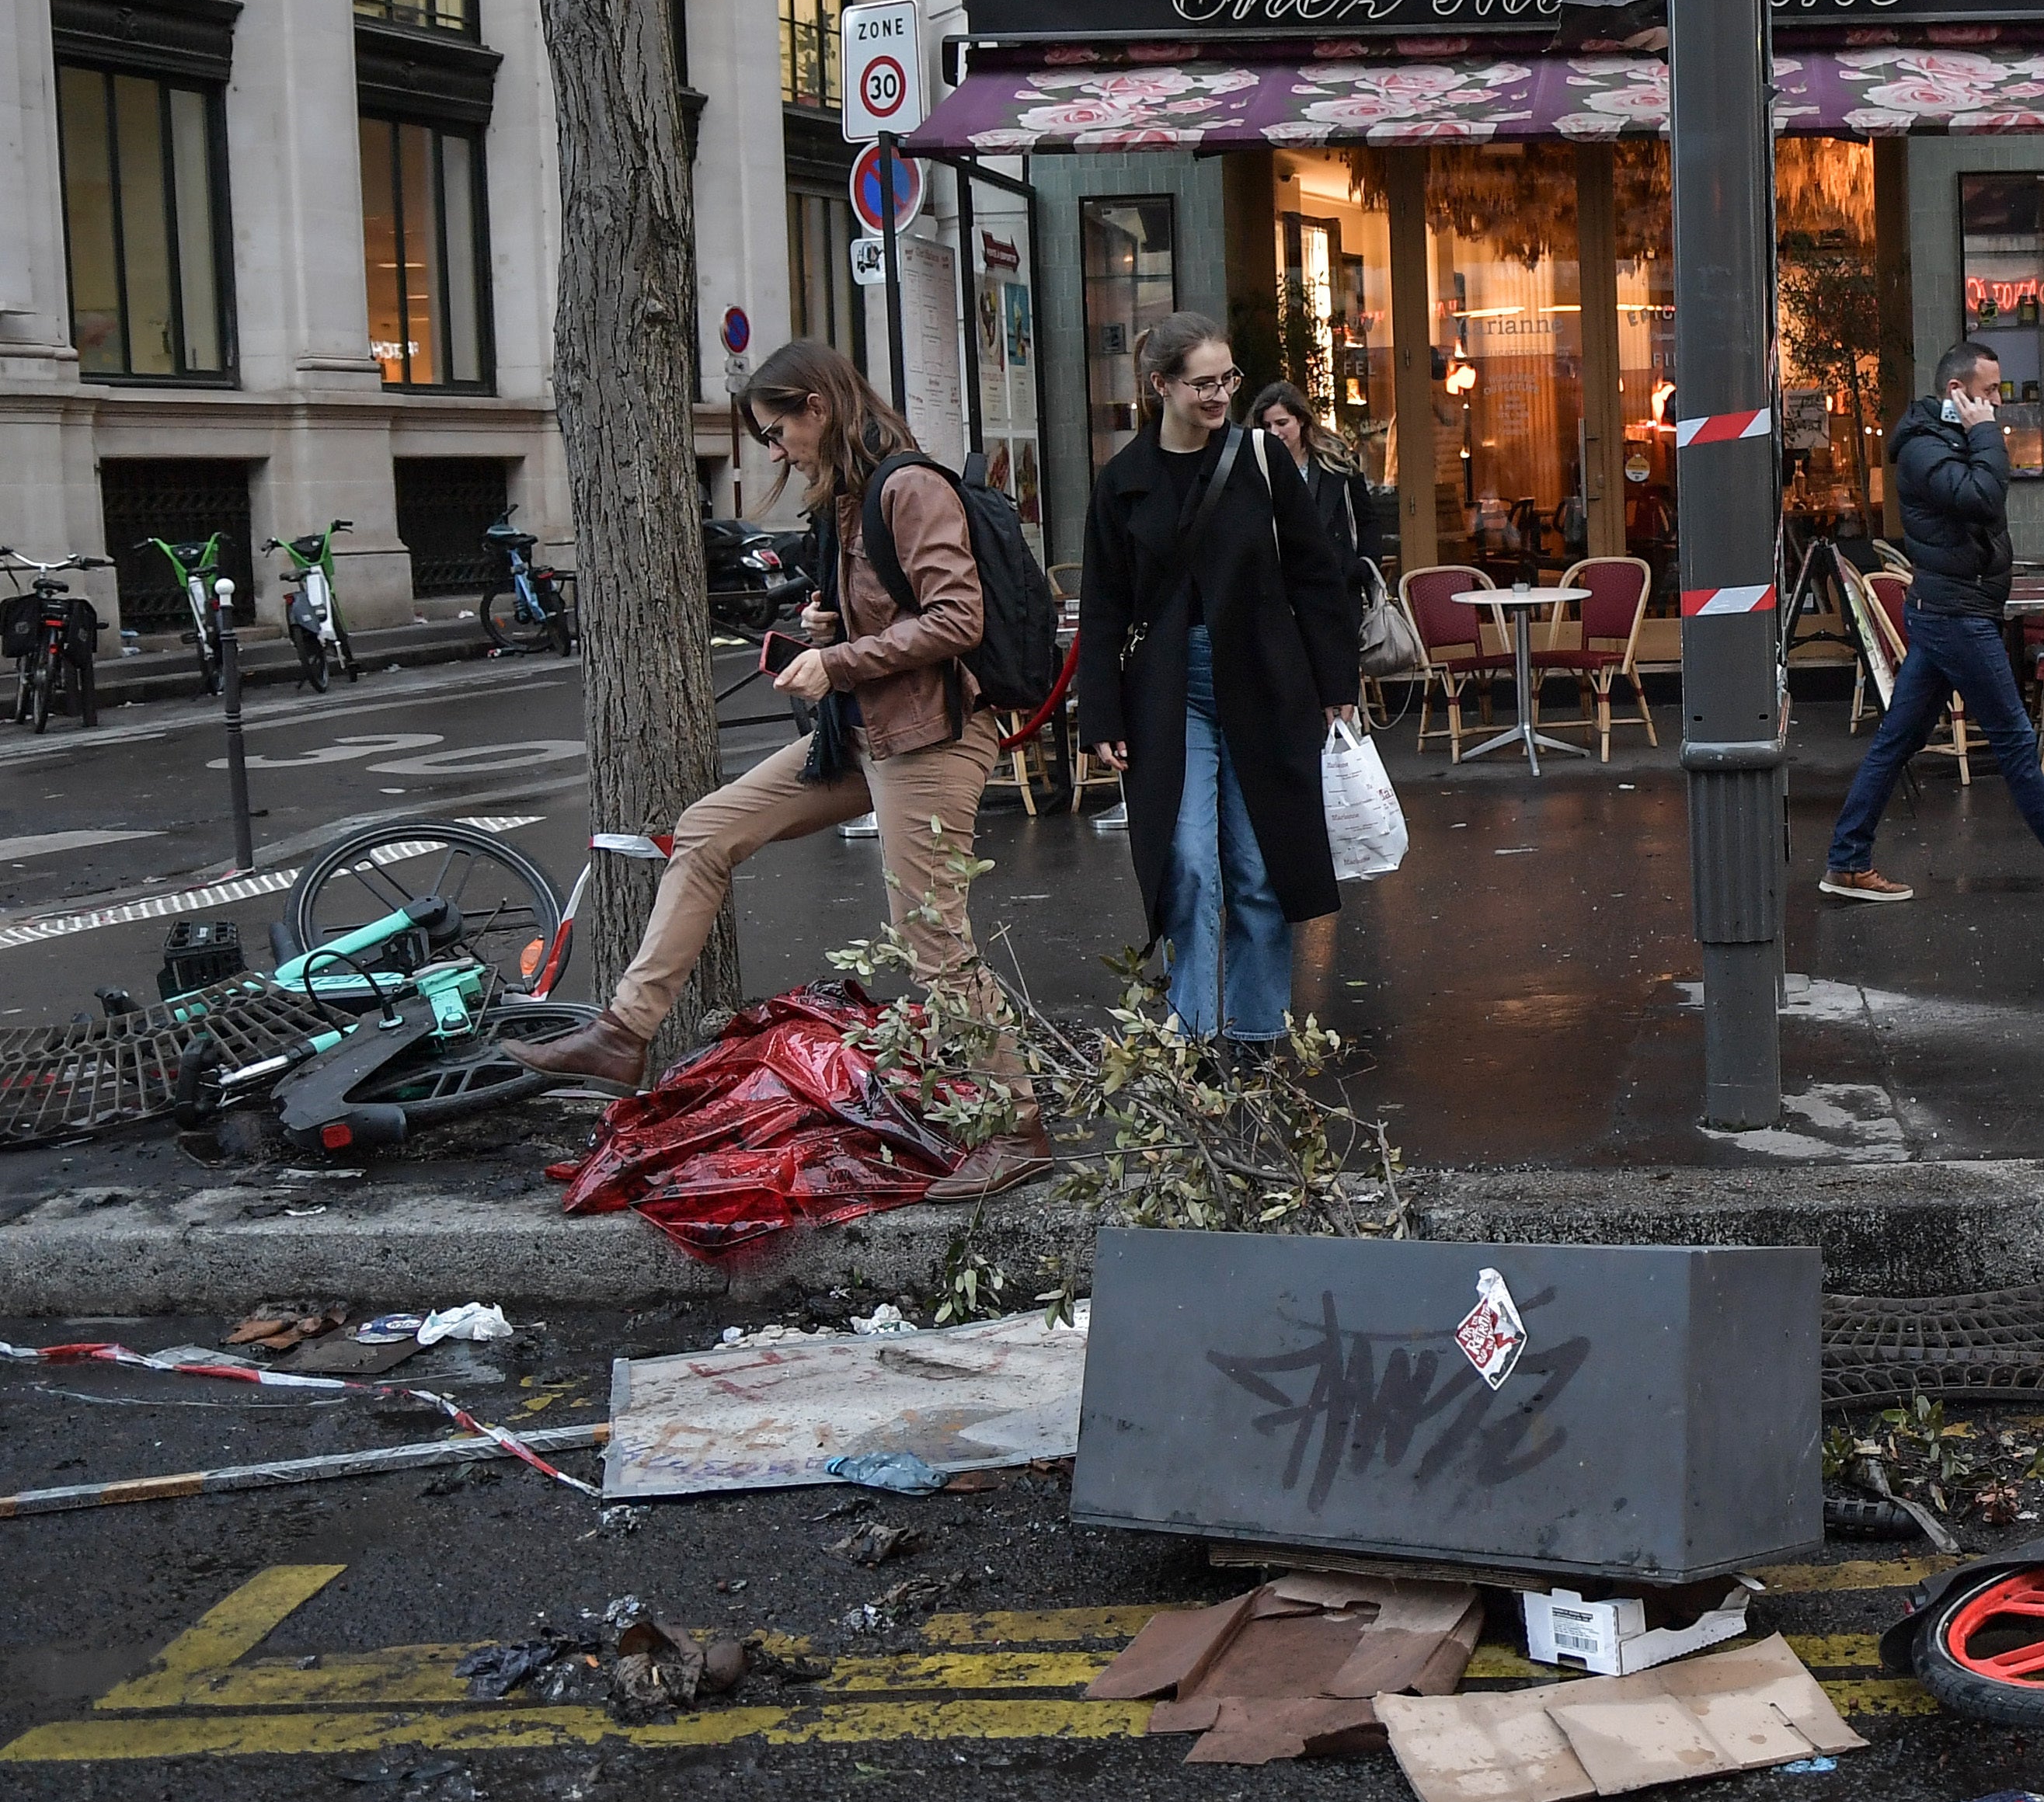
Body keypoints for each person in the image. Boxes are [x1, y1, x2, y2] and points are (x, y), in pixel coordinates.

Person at [503, 343, 1042, 1195]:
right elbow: (894, 620)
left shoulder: (909, 487)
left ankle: (1018, 1130)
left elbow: (958, 618)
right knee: (709, 830)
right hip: (867, 729)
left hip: (932, 735)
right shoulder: (853, 501)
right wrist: (831, 632)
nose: (775, 450)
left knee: (933, 942)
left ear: (817, 408)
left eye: (776, 430)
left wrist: (839, 661)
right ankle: (622, 1032)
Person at [1075, 315, 1370, 1045]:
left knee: (1258, 864)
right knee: (1189, 861)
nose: (1219, 395)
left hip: (1268, 681)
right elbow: (1105, 606)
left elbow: (1316, 578)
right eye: (1203, 382)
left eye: (1227, 379)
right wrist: (1102, 717)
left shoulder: (1262, 461)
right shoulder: (1123, 482)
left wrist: (1338, 682)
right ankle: (1195, 1027)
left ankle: (1259, 1031)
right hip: (1168, 690)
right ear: (1161, 386)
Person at [1822, 340, 2044, 906]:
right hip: (1956, 617)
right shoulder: (1925, 449)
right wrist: (1986, 436)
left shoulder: (1951, 440)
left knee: (1898, 741)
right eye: (1989, 391)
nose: (1998, 401)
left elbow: (1983, 503)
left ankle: (1848, 860)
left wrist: (1980, 439)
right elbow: (1983, 495)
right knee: (2016, 740)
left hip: (1951, 612)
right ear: (1957, 392)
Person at [1243, 382, 1385, 589]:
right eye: (1266, 426)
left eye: (1282, 423)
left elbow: (1366, 519)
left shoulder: (1337, 461)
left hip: (1336, 585)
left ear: (1300, 420)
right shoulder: (1254, 468)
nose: (1274, 432)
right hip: (1281, 589)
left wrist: (1363, 567)